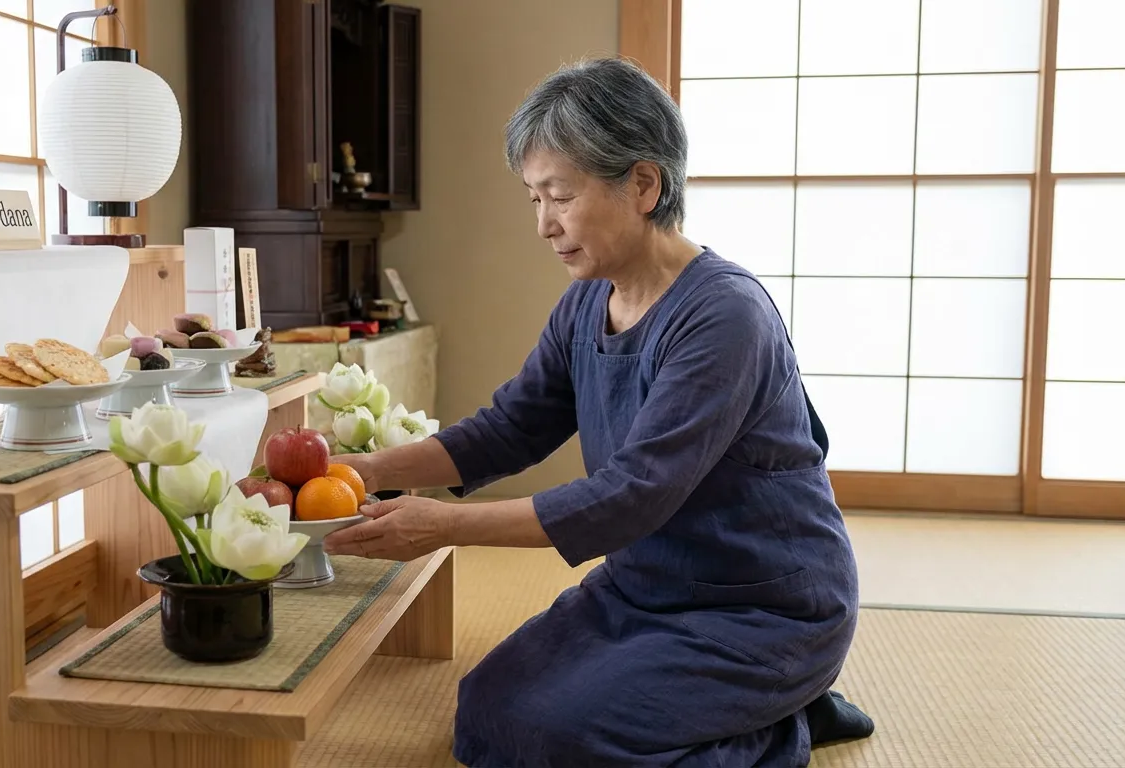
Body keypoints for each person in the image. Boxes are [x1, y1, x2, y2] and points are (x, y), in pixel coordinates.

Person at [323, 56, 874, 767]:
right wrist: (365, 469)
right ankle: (746, 709)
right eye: (533, 200)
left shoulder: (724, 316)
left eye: (559, 195)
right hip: (646, 586)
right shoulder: (588, 299)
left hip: (764, 607)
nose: (546, 224)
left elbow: (631, 496)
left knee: (568, 741)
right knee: (485, 715)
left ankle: (788, 720)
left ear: (643, 184)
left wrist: (445, 526)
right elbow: (510, 428)